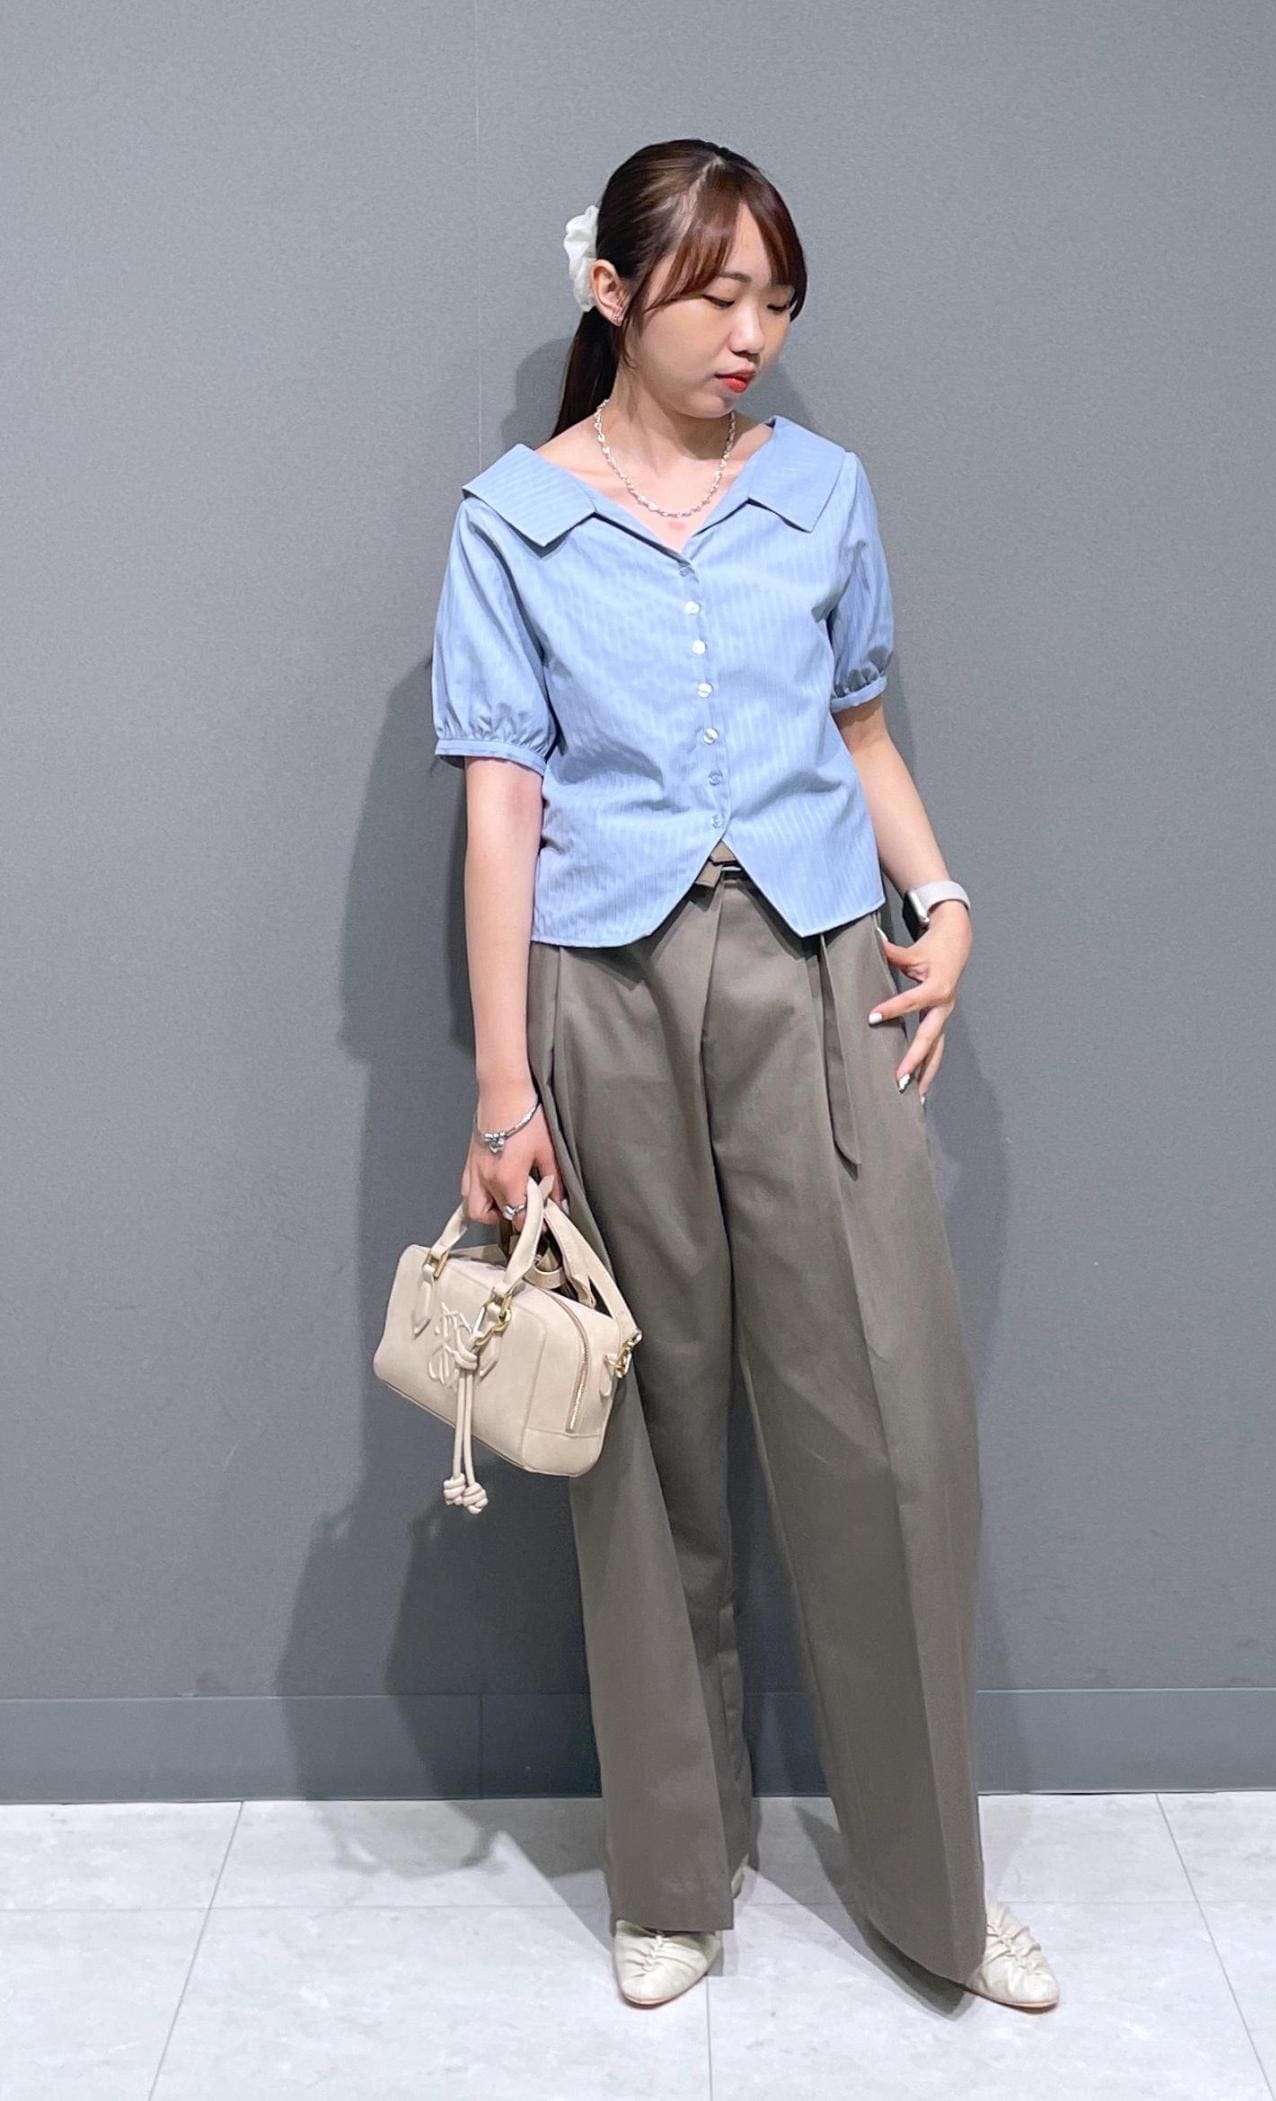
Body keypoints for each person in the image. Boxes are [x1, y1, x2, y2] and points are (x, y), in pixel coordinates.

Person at [429, 136, 1060, 2015]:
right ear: (612, 291)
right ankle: (672, 1877)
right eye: (715, 292)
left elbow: (855, 725)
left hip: (816, 972)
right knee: (643, 1430)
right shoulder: (511, 521)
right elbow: (502, 807)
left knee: (890, 1425)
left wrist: (943, 895)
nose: (750, 333)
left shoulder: (824, 493)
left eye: (776, 299)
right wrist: (501, 1088)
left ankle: (933, 1887)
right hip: (604, 989)